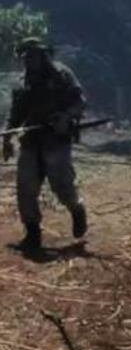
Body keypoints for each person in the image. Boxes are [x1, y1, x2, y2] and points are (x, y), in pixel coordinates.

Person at [2, 37, 87, 252]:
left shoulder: (62, 75)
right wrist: (7, 137)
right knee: (26, 187)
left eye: (32, 55)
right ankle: (32, 234)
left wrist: (65, 116)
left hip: (56, 140)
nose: (28, 60)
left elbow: (79, 102)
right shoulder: (23, 83)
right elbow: (15, 114)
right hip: (31, 141)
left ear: (43, 55)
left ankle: (77, 209)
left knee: (62, 186)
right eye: (25, 56)